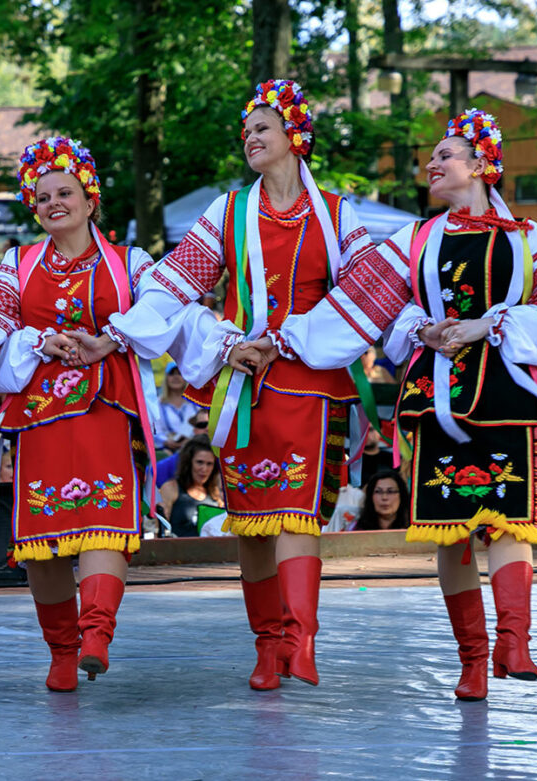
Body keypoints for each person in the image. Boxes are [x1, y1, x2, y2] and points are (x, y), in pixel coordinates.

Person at [255, 108, 537, 701]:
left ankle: (515, 640)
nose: (431, 163)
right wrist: (422, 329)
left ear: (482, 165)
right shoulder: (416, 238)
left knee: (509, 525)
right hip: (438, 401)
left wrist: (488, 325)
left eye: (445, 155)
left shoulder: (530, 239)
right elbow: (362, 300)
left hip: (510, 396)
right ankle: (474, 660)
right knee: (451, 533)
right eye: (431, 157)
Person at [108, 81, 367, 690]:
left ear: (295, 136)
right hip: (246, 383)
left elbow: (361, 293)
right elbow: (171, 285)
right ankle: (267, 644)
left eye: (263, 128)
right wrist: (218, 340)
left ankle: (301, 638)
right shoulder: (226, 212)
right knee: (252, 518)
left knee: (298, 513)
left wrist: (289, 337)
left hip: (311, 380)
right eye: (246, 131)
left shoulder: (336, 212)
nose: (250, 138)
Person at [0, 136, 158, 692]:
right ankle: (61, 649)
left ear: (89, 197)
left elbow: (163, 311)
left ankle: (96, 631)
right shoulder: (18, 267)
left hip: (102, 409)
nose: (54, 202)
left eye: (65, 192)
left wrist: (110, 336)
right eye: (43, 194)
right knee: (44, 539)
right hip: (37, 417)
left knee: (105, 519)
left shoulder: (129, 264)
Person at [159, 435, 224, 537]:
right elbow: (159, 529)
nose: (204, 469)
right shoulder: (171, 488)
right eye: (199, 462)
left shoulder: (215, 494)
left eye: (209, 464)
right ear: (189, 463)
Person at [157, 361, 198, 453]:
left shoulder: (195, 403)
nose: (176, 377)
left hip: (193, 448)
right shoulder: (157, 404)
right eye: (172, 374)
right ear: (166, 378)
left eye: (180, 373)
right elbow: (154, 429)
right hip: (166, 450)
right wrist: (165, 441)